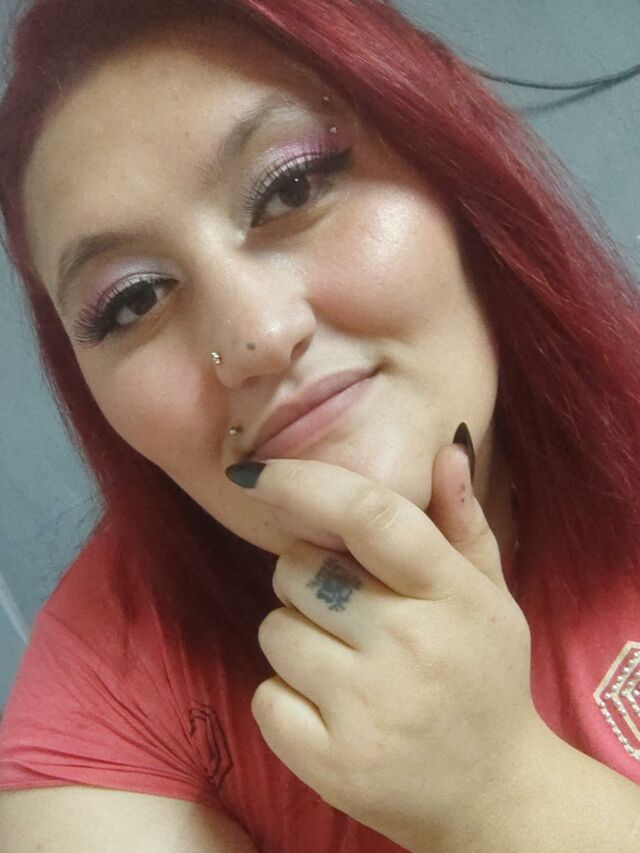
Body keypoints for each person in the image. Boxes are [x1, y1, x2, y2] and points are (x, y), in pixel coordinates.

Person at [0, 0, 639, 849]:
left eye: (291, 187)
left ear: (453, 169)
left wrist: (503, 791)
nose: (257, 337)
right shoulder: (109, 683)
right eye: (133, 299)